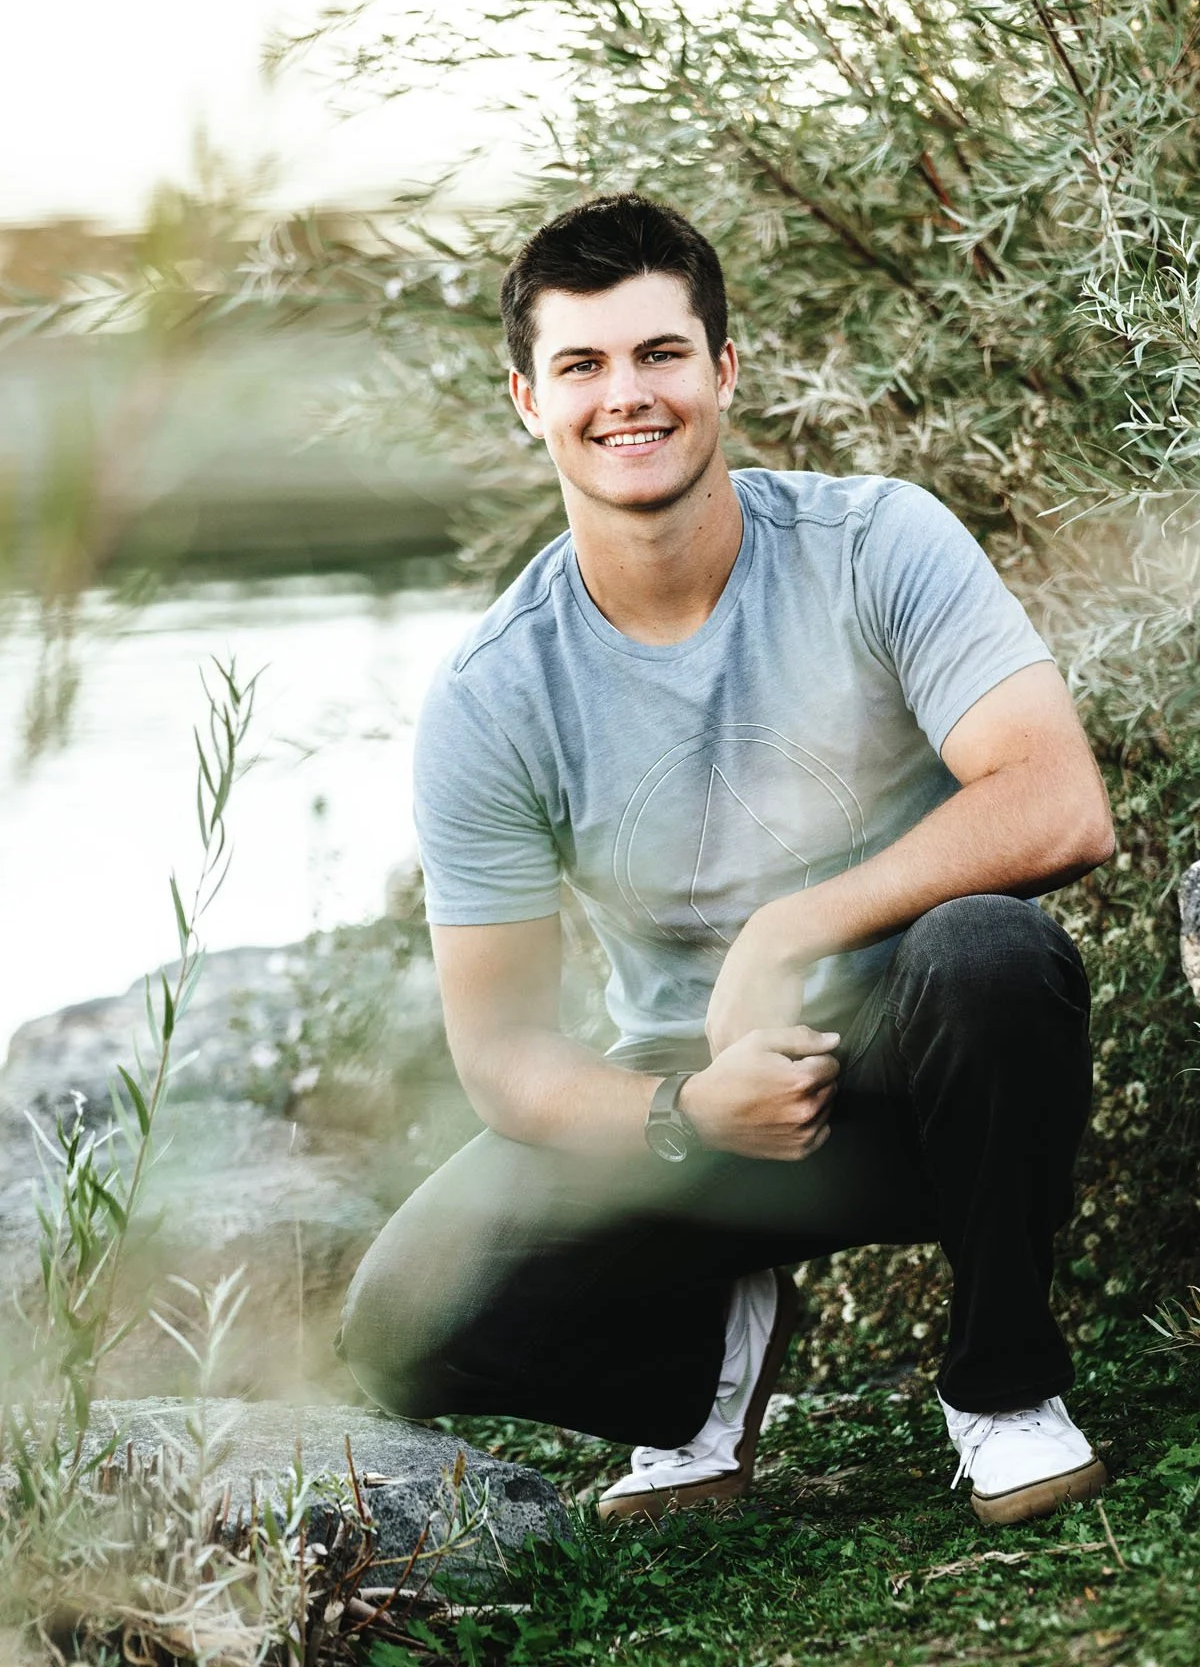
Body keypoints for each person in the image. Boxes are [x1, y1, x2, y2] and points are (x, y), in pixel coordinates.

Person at [335, 193, 1115, 1528]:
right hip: (691, 1117)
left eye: (658, 354)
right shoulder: (492, 694)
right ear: (528, 398)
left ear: (722, 371)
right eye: (581, 365)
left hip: (927, 1074)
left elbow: (1056, 802)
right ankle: (707, 1370)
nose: (623, 397)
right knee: (403, 1321)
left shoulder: (874, 540)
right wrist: (681, 1119)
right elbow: (504, 1055)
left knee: (990, 953)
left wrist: (787, 931)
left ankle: (999, 1390)